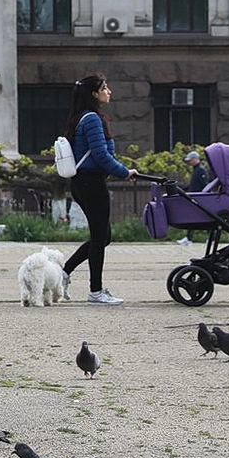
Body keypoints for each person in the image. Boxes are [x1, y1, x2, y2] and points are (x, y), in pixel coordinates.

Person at [60, 75, 137, 304]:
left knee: (103, 237)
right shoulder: (92, 119)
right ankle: (96, 291)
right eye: (104, 88)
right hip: (91, 183)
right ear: (94, 93)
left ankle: (64, 273)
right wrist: (124, 172)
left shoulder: (79, 117)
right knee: (99, 238)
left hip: (83, 182)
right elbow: (100, 155)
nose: (109, 91)